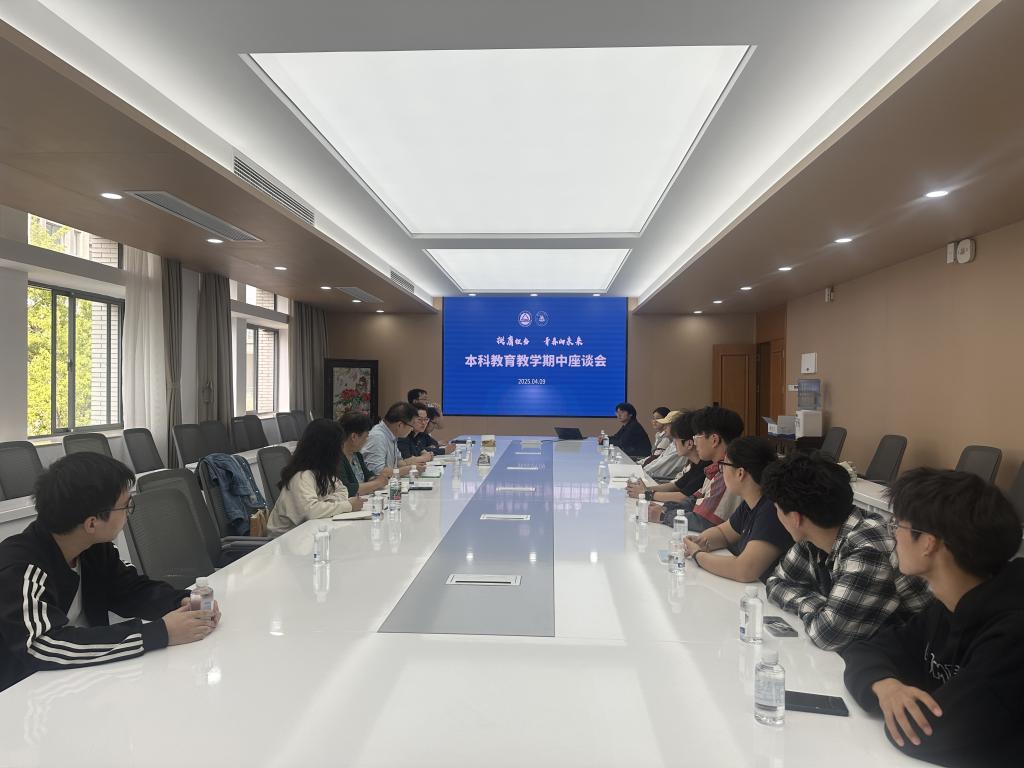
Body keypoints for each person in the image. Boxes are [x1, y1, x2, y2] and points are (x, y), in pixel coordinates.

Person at [841, 469, 1024, 766]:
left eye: (897, 524)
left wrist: (895, 696)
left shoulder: (1012, 637)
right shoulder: (949, 603)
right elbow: (864, 649)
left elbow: (922, 732)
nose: (893, 534)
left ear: (928, 542)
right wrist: (887, 686)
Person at [0, 453, 220, 692]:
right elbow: (42, 646)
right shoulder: (19, 567)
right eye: (126, 506)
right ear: (92, 523)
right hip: (27, 693)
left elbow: (131, 591)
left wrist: (185, 602)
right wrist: (161, 632)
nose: (128, 513)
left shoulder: (94, 548)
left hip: (85, 678)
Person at [764, 454, 931, 652]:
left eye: (777, 509)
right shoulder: (814, 533)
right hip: (872, 648)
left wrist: (820, 610)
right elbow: (776, 583)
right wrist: (821, 607)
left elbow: (827, 635)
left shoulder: (867, 549)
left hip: (914, 655)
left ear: (795, 518)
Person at [682, 436, 793, 583]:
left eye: (724, 465)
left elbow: (744, 570)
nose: (722, 471)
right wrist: (700, 541)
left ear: (740, 473)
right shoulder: (750, 502)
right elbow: (724, 533)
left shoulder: (772, 510)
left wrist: (698, 555)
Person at [267, 418, 365, 537]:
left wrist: (323, 504)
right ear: (328, 449)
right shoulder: (302, 476)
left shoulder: (323, 472)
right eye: (339, 446)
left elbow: (343, 490)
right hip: (284, 541)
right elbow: (311, 512)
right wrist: (347, 505)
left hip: (308, 535)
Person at [657, 405, 743, 532]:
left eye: (697, 436)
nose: (695, 442)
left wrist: (663, 515)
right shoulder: (715, 467)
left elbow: (705, 521)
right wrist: (666, 508)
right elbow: (693, 500)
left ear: (714, 440)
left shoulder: (729, 471)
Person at [362, 402, 430, 475]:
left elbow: (399, 462)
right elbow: (377, 472)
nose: (412, 429)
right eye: (411, 425)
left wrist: (414, 466)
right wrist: (409, 469)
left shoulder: (391, 434)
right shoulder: (378, 437)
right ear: (400, 425)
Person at [337, 411, 394, 496]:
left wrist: (378, 478)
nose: (367, 440)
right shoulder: (337, 458)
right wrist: (377, 483)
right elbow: (346, 489)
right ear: (354, 436)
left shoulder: (357, 455)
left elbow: (368, 476)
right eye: (366, 436)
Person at [641, 409, 686, 481]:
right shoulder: (673, 444)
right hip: (652, 477)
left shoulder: (679, 448)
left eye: (667, 425)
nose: (664, 427)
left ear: (677, 427)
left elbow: (658, 470)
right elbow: (657, 460)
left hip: (658, 480)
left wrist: (641, 472)